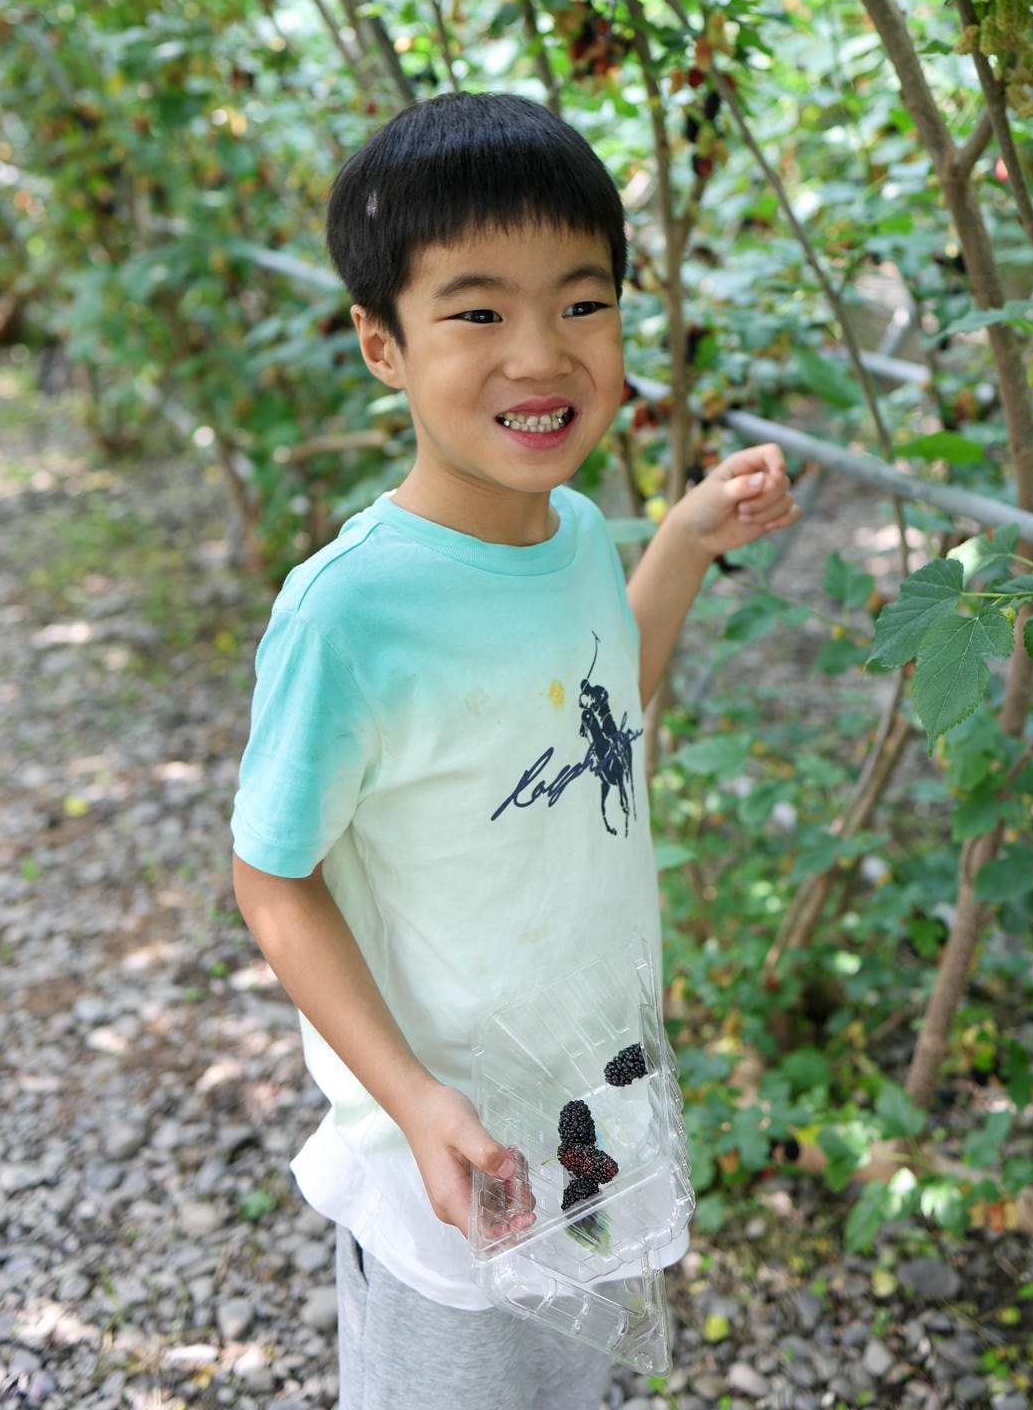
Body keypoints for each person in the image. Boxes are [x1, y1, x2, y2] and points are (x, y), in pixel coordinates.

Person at [230, 93, 799, 1410]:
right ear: (383, 343)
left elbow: (603, 720)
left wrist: (681, 544)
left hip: (589, 1103)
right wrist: (415, 1099)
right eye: (479, 313)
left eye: (582, 303)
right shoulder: (350, 613)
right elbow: (273, 881)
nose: (540, 354)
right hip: (447, 1140)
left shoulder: (580, 536)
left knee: (568, 1383)